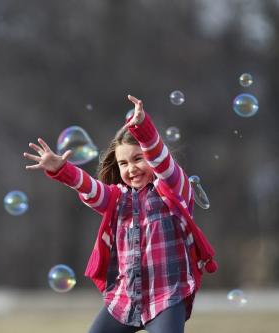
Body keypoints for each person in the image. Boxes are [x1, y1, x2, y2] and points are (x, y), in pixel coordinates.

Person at [23, 95, 209, 333]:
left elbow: (162, 161)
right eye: (123, 163)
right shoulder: (118, 198)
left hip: (166, 298)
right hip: (125, 299)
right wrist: (61, 169)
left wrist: (143, 129)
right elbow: (91, 189)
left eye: (138, 159)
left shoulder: (173, 189)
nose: (131, 168)